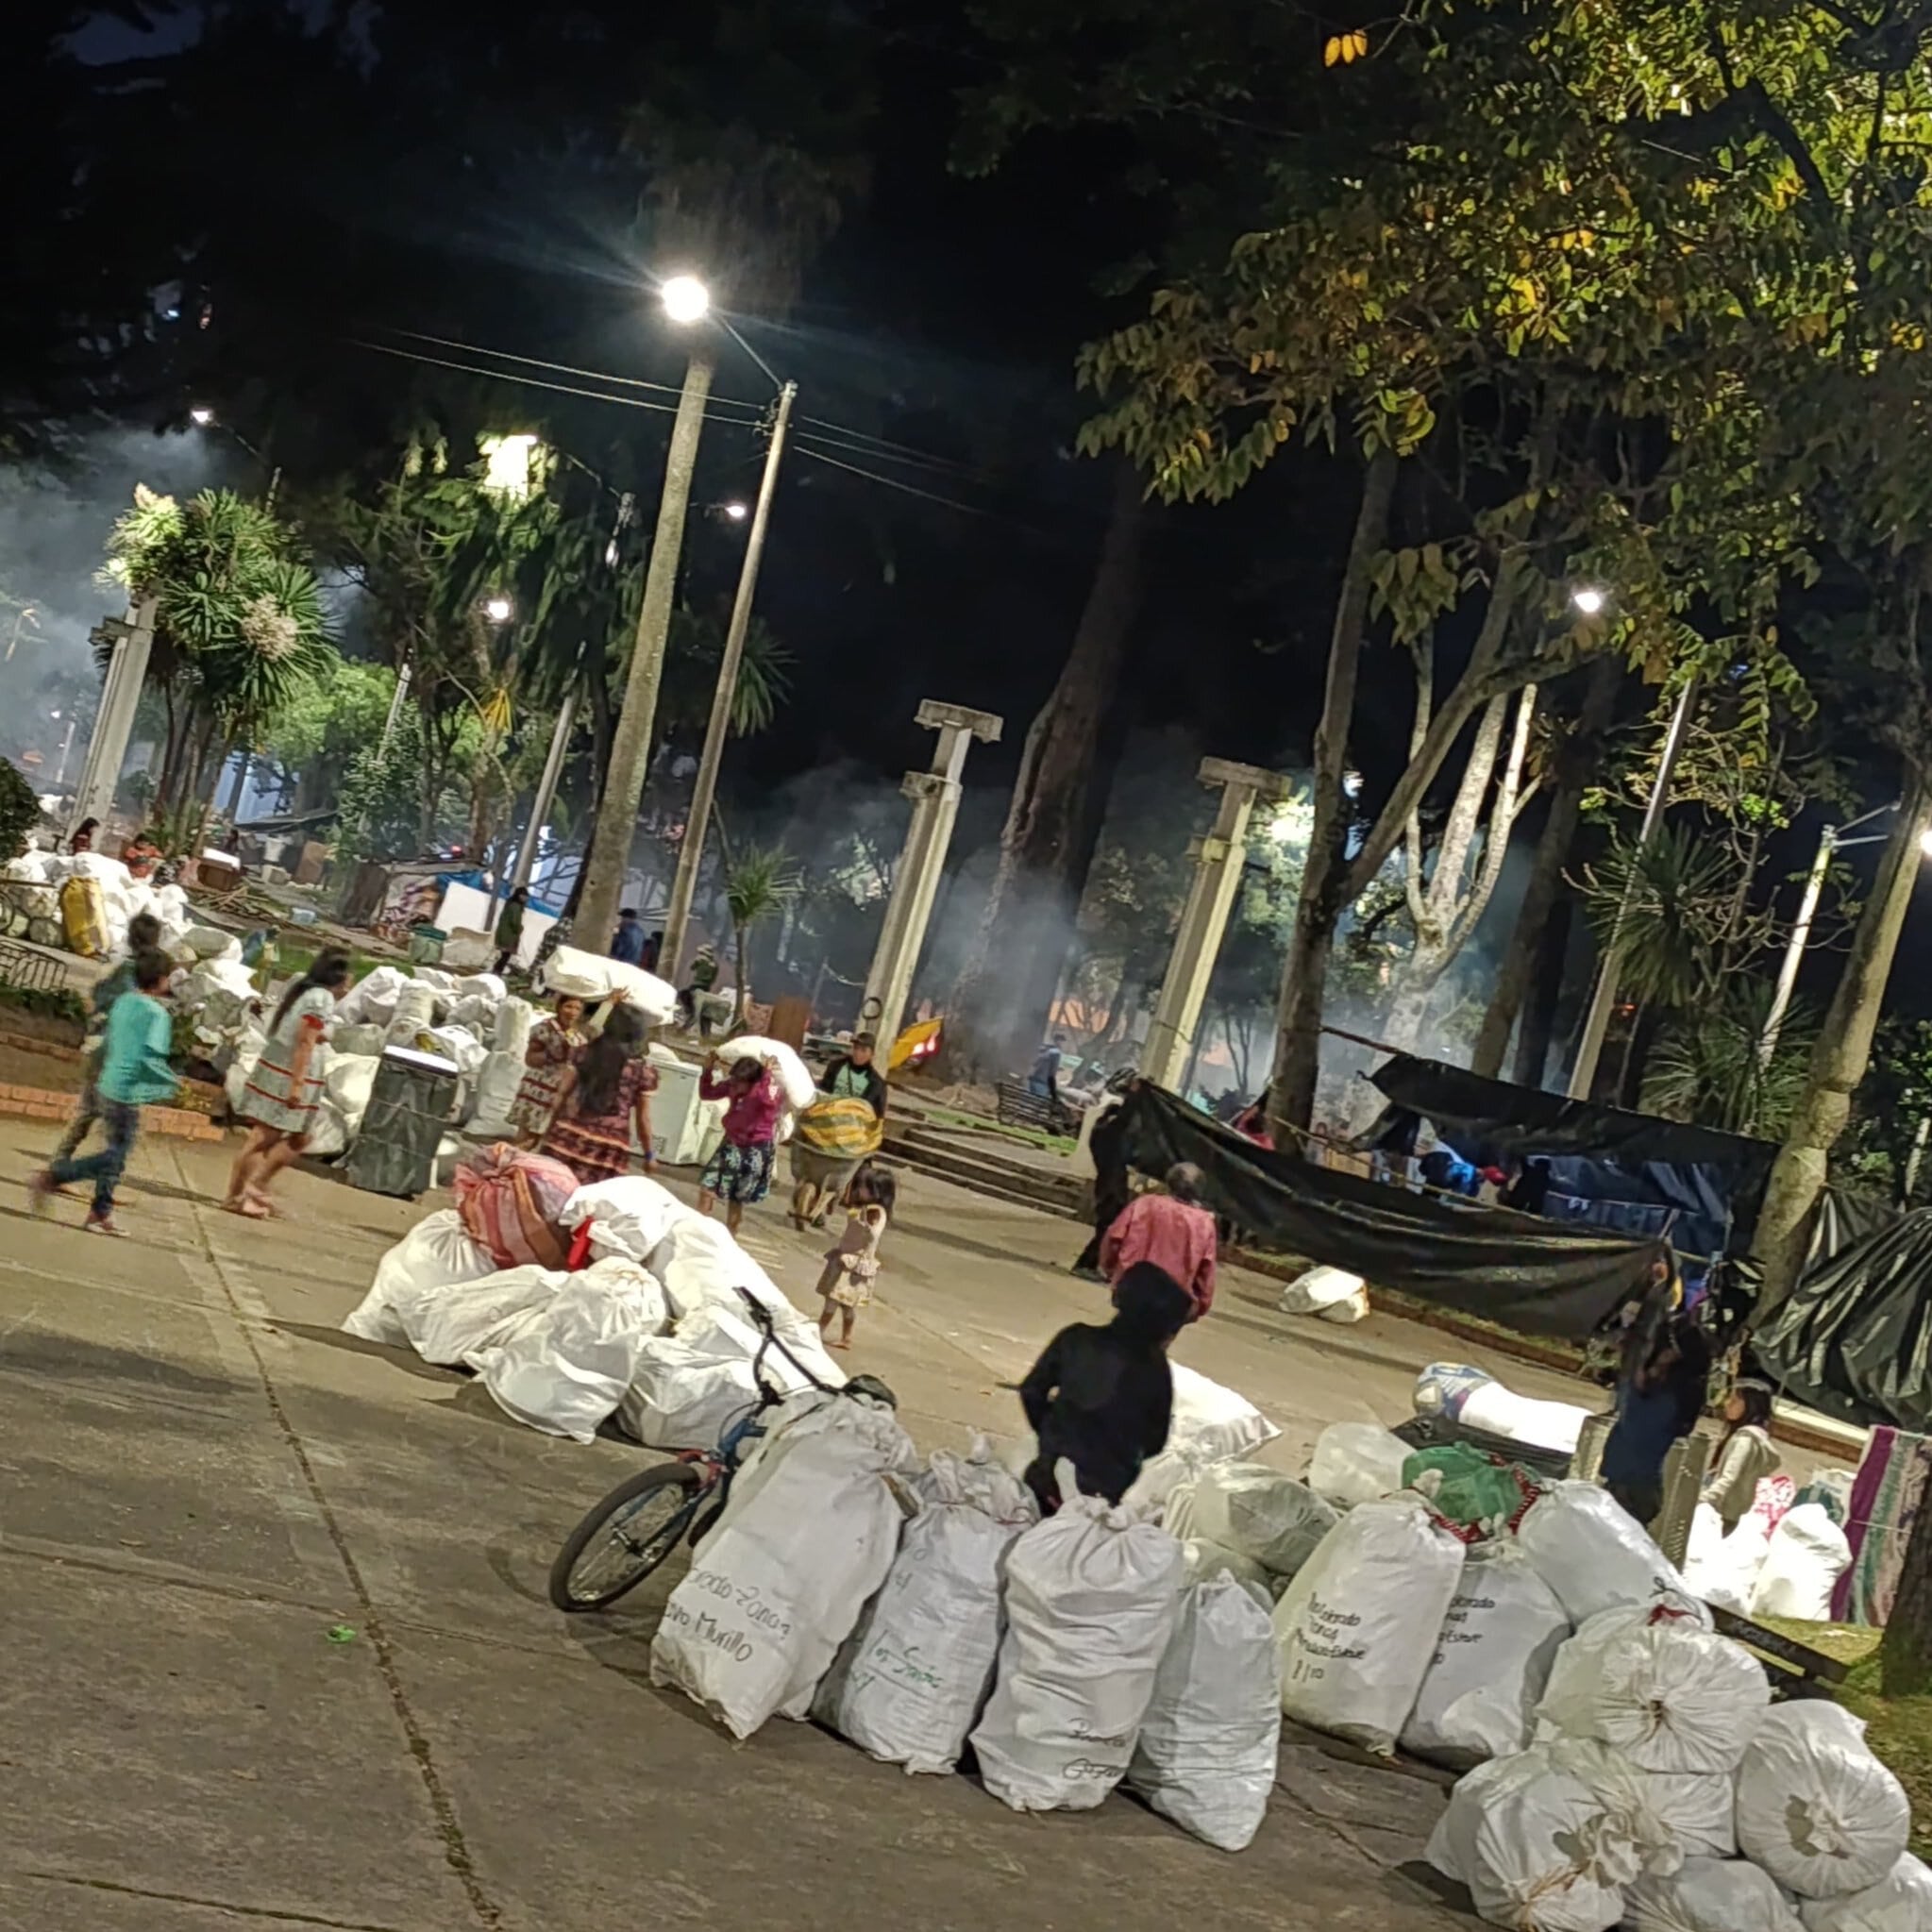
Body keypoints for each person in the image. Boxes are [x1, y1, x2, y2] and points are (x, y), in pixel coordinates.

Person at [1016, 1261, 1192, 1514]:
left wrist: (1053, 1432)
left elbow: (1032, 1391)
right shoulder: (1155, 1369)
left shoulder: (1076, 1339)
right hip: (1103, 1490)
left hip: (1049, 1473)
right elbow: (1156, 1439)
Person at [29, 947, 177, 1235]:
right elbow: (151, 1057)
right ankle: (54, 1176)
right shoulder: (157, 1015)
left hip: (107, 1080)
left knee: (114, 1154)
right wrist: (168, 1083)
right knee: (116, 1155)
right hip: (126, 1090)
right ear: (160, 979)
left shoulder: (124, 1002)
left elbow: (111, 1041)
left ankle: (100, 1212)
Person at [225, 949, 352, 1217]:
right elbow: (305, 1040)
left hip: (289, 1071)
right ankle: (237, 1195)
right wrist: (297, 1084)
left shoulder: (308, 993)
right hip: (288, 1075)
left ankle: (255, 1185)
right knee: (262, 1138)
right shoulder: (321, 998)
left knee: (299, 1135)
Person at [1599, 1281, 1713, 1529]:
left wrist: (1636, 1375)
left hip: (1632, 1493)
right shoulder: (1666, 1398)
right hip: (1629, 1488)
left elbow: (1633, 1424)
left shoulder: (1665, 1404)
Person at [53, 912, 164, 1162]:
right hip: (113, 1049)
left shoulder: (113, 964)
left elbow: (91, 1002)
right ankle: (97, 1179)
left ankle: (62, 1165)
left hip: (96, 1042)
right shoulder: (135, 975)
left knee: (90, 1111)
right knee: (117, 1117)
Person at [539, 1003, 658, 1186]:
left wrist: (549, 1131)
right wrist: (649, 1154)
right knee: (588, 1203)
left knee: (551, 1190)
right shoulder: (643, 1071)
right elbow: (643, 1119)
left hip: (568, 1136)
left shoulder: (584, 1053)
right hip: (607, 1149)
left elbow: (561, 1095)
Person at [1100, 1160, 1218, 1322]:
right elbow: (1206, 1271)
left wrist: (1112, 1271)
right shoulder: (1204, 1223)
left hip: (1131, 1287)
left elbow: (1114, 1238)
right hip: (1172, 1300)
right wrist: (1201, 1304)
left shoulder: (1144, 1204)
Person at [815, 1158, 897, 1352]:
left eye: (864, 1188)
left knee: (834, 1301)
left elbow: (872, 1233)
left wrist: (861, 1223)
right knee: (845, 1304)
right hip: (847, 1258)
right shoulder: (867, 1209)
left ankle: (818, 1331)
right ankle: (846, 1336)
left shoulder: (875, 1212)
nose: (859, 1191)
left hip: (852, 1263)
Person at [697, 1050, 781, 1234]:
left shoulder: (768, 1089)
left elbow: (768, 1101)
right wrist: (708, 1069)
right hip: (731, 1142)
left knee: (738, 1197)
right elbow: (706, 1093)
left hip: (755, 1149)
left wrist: (766, 1076)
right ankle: (697, 1229)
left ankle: (731, 1233)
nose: (734, 1085)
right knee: (708, 1184)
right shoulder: (732, 1086)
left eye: (739, 1082)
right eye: (734, 1080)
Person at [507, 991, 587, 1147]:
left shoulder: (577, 1033)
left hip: (559, 1090)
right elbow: (530, 1059)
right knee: (525, 1136)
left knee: (539, 1139)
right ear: (559, 1007)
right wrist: (553, 1051)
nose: (572, 1012)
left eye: (577, 1008)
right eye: (568, 1006)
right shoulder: (544, 1028)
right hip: (539, 1087)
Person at [1701, 1380, 1780, 1533]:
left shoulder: (1745, 1441)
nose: (1728, 1404)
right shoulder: (1752, 1437)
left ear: (1751, 1406)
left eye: (1735, 1400)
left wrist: (1700, 1500)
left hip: (1723, 1515)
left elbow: (1728, 1479)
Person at [1071, 1091, 1132, 1282]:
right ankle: (1086, 1263)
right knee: (1106, 1230)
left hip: (1107, 1186)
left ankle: (1094, 1264)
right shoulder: (1110, 1135)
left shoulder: (1101, 1132)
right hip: (1111, 1190)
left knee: (1106, 1230)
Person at [820, 1032, 888, 1118]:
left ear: (872, 1054)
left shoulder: (877, 1083)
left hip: (853, 1124)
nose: (858, 1053)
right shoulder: (836, 1066)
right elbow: (823, 1091)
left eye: (863, 1050)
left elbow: (878, 1114)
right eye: (856, 1048)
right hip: (828, 1115)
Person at [493, 886, 527, 976]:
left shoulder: (510, 904)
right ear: (519, 895)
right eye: (524, 896)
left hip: (504, 934)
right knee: (505, 956)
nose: (526, 898)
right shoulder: (516, 906)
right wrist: (520, 928)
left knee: (504, 956)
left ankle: (496, 971)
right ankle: (496, 972)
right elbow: (514, 922)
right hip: (508, 936)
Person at [1028, 1033, 1067, 1101]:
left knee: (1029, 1101)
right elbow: (1052, 1071)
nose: (1062, 1043)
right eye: (1062, 1041)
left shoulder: (1044, 1048)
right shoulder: (1056, 1052)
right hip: (1043, 1082)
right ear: (1058, 1041)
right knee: (1037, 1103)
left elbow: (1036, 1062)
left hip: (1033, 1078)